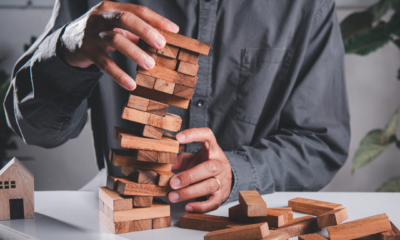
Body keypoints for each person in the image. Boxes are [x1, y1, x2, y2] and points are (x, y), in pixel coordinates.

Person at [4, 0, 350, 213]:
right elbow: (34, 129)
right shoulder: (98, 5)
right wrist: (67, 47)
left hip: (245, 215)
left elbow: (320, 142)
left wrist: (237, 172)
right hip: (126, 208)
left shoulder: (305, 5)